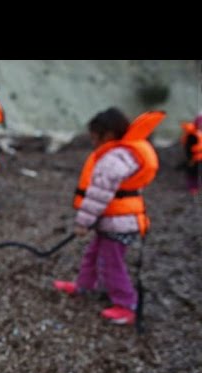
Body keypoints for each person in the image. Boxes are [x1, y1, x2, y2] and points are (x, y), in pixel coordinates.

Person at [53, 108, 165, 326]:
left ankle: (126, 305)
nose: (93, 142)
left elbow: (98, 196)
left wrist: (83, 223)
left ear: (109, 135)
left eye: (95, 137)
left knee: (111, 264)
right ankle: (85, 286)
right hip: (120, 220)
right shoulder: (125, 154)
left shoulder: (112, 160)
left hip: (118, 224)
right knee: (93, 254)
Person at [180, 113, 202, 195]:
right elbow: (188, 147)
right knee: (193, 173)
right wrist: (190, 157)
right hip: (194, 158)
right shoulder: (192, 135)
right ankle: (193, 187)